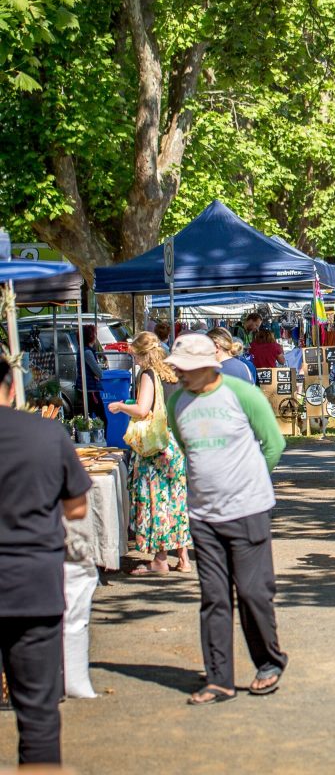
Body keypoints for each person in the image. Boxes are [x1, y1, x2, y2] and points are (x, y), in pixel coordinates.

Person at [165, 334, 287, 704]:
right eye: (177, 368)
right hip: (203, 516)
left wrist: (251, 481)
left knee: (252, 593)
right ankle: (219, 679)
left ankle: (269, 662)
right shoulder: (177, 402)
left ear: (208, 366)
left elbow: (274, 443)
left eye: (186, 369)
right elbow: (187, 447)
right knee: (214, 598)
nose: (180, 374)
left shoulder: (242, 394)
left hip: (248, 510)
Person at [0, 357, 91, 765]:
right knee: (37, 712)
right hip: (33, 585)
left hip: (30, 582)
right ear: (11, 389)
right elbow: (77, 507)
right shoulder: (46, 433)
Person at [108, 332, 191, 574]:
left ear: (144, 354)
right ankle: (184, 559)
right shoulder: (173, 372)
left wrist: (120, 406)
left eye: (135, 355)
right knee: (176, 500)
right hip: (174, 443)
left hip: (156, 447)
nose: (134, 360)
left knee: (156, 500)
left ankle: (160, 560)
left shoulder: (148, 374)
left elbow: (143, 409)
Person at [77, 324, 106, 425]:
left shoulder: (82, 350)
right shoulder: (88, 352)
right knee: (102, 420)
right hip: (91, 391)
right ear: (90, 336)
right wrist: (97, 373)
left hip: (85, 389)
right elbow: (99, 373)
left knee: (86, 420)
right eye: (95, 334)